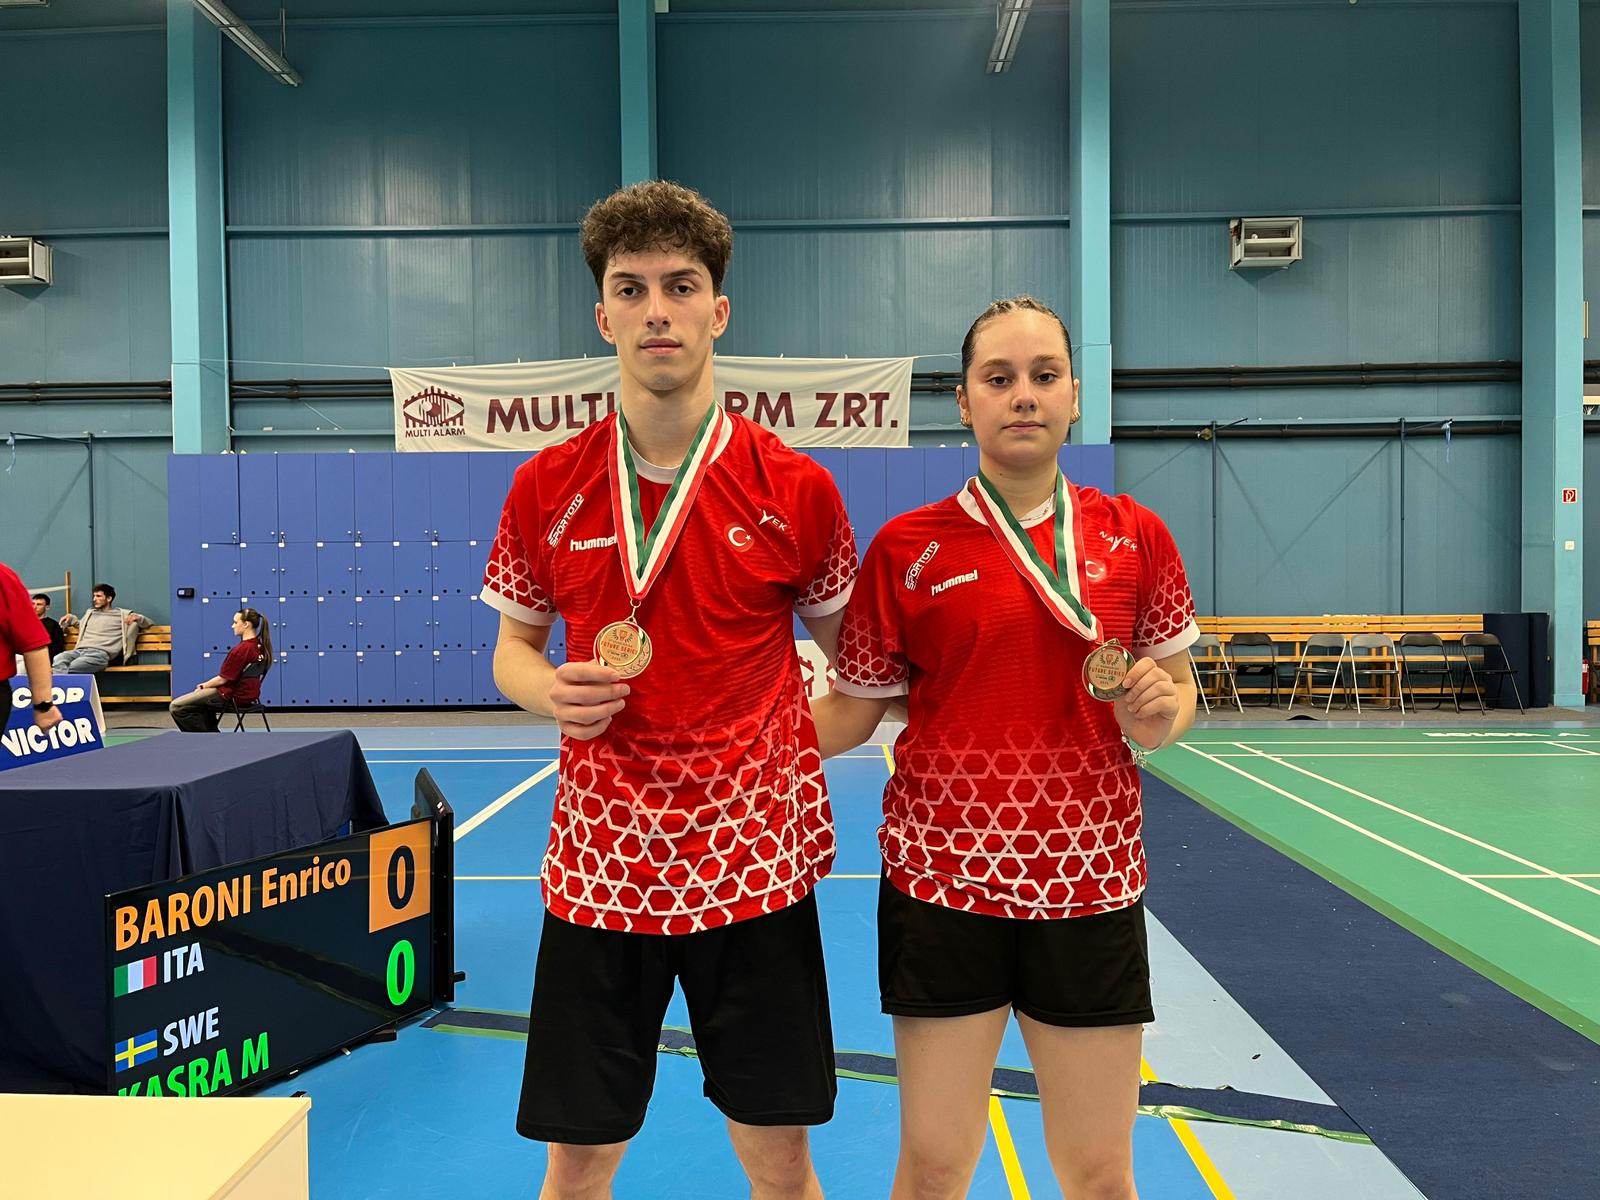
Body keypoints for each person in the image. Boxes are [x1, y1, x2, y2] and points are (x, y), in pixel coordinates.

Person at [480, 180, 857, 1200]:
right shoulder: (545, 484)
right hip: (600, 869)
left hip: (754, 871)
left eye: (680, 287)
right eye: (631, 288)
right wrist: (547, 692)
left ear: (717, 311)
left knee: (781, 1164)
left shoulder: (797, 488)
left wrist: (779, 752)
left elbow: (860, 674)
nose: (657, 310)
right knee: (576, 1164)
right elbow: (514, 650)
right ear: (602, 316)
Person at [809, 297, 1199, 1200]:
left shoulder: (1136, 535)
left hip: (1090, 884)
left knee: (1100, 1174)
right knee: (935, 1168)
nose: (1023, 395)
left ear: (1074, 395)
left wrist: (1160, 713)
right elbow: (853, 714)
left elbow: (1179, 695)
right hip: (942, 887)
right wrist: (714, 726)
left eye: (1044, 376)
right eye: (999, 378)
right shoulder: (905, 549)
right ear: (965, 400)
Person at [169, 609, 272, 732]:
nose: (232, 626)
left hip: (232, 695)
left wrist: (203, 686)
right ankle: (212, 732)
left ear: (246, 624)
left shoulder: (242, 649)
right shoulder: (259, 646)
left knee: (176, 706)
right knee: (199, 704)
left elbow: (222, 679)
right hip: (249, 695)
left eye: (235, 622)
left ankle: (205, 737)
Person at [2, 562, 63, 734]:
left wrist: (44, 705)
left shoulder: (3, 578)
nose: (36, 606)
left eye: (39, 604)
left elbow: (35, 646)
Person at [55, 583, 150, 675]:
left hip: (99, 655)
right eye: (94, 596)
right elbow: (82, 625)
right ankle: (60, 683)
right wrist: (71, 618)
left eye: (98, 596)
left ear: (109, 598)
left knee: (69, 667)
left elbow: (148, 623)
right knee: (59, 659)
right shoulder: (91, 613)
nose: (94, 599)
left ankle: (59, 683)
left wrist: (138, 618)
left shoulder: (122, 615)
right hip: (80, 651)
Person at [32, 594, 66, 661]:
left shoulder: (53, 625)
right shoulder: (25, 623)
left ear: (47, 607)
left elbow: (58, 648)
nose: (34, 607)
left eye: (39, 604)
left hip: (42, 658)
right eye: (33, 604)